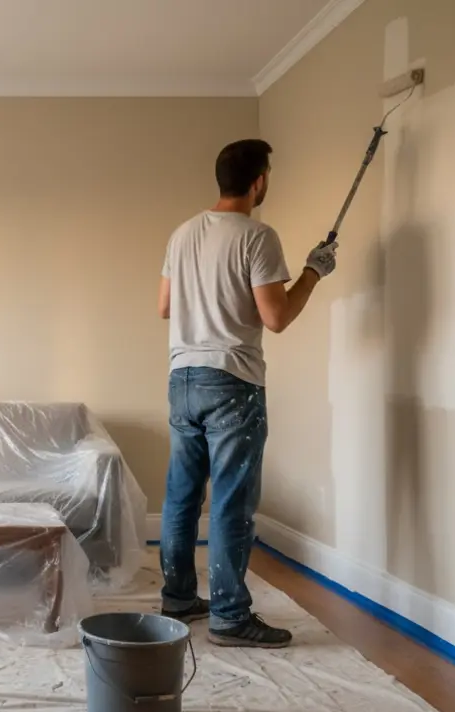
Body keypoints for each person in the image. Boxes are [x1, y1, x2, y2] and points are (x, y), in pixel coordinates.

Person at [155, 139, 337, 648]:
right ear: (259, 180)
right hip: (231, 380)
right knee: (233, 502)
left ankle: (178, 597)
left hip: (182, 378)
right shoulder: (258, 236)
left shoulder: (182, 233)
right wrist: (313, 273)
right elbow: (276, 317)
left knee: (181, 497)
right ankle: (231, 616)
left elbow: (164, 306)